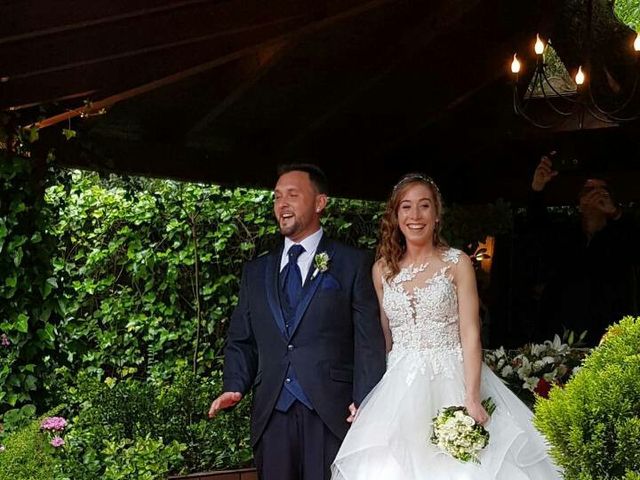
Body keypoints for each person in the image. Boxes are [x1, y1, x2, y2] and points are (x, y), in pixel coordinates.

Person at [331, 173, 562, 480]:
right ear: (396, 216)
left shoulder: (457, 262)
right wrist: (368, 398)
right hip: (399, 385)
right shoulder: (382, 270)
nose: (415, 216)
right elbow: (383, 340)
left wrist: (471, 396)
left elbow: (470, 333)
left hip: (453, 377)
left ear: (437, 214)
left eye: (424, 206)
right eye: (406, 207)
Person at [208, 164, 386, 480]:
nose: (282, 204)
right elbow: (241, 339)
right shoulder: (256, 272)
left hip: (333, 413)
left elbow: (368, 341)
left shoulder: (353, 263)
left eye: (293, 195)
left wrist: (366, 400)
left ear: (320, 203)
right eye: (277, 197)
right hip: (273, 415)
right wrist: (234, 385)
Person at [527, 154, 639, 344]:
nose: (595, 195)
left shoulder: (622, 235)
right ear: (579, 202)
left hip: (610, 333)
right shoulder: (565, 235)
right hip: (561, 331)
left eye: (602, 191)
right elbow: (536, 229)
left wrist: (615, 212)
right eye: (589, 190)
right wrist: (537, 188)